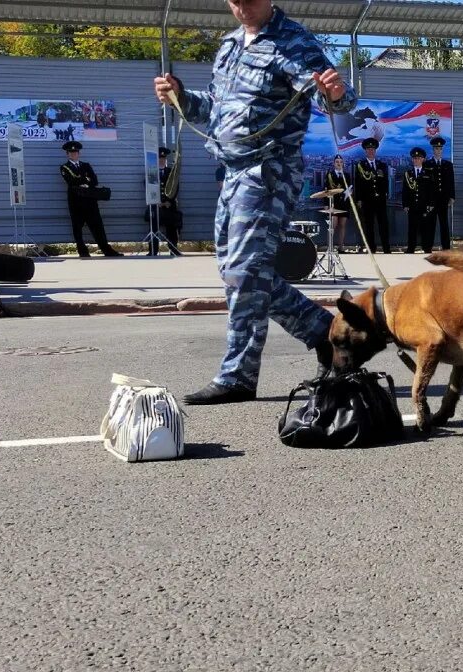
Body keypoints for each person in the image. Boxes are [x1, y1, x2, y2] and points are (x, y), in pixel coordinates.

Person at [153, 0, 355, 405]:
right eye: (233, 0)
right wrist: (179, 96)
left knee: (245, 272)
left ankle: (238, 376)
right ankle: (323, 331)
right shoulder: (229, 44)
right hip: (231, 172)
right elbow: (213, 107)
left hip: (269, 171)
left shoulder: (292, 40)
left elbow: (334, 99)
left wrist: (336, 94)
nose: (240, 6)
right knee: (235, 272)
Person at [59, 140, 122, 258]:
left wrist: (84, 182)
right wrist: (86, 180)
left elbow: (94, 180)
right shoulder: (64, 167)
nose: (74, 154)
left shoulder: (86, 165)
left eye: (75, 152)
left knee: (98, 226)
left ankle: (107, 250)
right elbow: (71, 182)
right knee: (77, 228)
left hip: (90, 201)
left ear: (79, 153)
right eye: (71, 152)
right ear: (67, 154)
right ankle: (83, 251)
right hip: (76, 202)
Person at [353, 137, 391, 253]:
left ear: (375, 151)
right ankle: (371, 249)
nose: (371, 151)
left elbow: (385, 181)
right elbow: (357, 183)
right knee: (369, 226)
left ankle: (386, 248)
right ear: (365, 151)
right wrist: (359, 199)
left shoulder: (382, 165)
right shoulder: (360, 165)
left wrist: (385, 194)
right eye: (369, 149)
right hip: (367, 200)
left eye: (373, 149)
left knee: (383, 225)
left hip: (380, 200)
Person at [147, 147, 183, 256]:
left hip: (168, 204)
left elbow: (175, 187)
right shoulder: (151, 171)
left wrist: (168, 201)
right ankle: (153, 250)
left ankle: (173, 249)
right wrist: (156, 201)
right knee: (153, 226)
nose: (161, 160)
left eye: (163, 158)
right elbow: (148, 187)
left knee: (171, 227)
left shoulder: (170, 171)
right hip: (155, 204)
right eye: (159, 158)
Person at [402, 147, 436, 253]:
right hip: (412, 205)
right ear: (412, 159)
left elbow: (432, 191)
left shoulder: (428, 173)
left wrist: (431, 203)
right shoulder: (408, 174)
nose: (416, 160)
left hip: (424, 205)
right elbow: (405, 190)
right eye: (415, 158)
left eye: (419, 158)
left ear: (423, 159)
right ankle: (410, 248)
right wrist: (405, 205)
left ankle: (427, 248)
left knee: (425, 228)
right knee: (412, 228)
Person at [424, 136, 455, 250]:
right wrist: (426, 200)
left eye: (440, 148)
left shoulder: (448, 164)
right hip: (431, 200)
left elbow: (451, 182)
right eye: (436, 148)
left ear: (442, 150)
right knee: (430, 224)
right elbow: (425, 183)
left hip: (443, 199)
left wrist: (452, 196)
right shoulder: (427, 164)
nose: (438, 150)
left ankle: (446, 248)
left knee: (444, 224)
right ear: (433, 150)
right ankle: (428, 248)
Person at [324, 154, 351, 253]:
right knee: (332, 225)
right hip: (333, 203)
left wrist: (349, 193)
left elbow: (349, 187)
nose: (339, 164)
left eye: (340, 162)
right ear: (334, 163)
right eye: (337, 162)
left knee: (342, 225)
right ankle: (329, 247)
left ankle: (341, 247)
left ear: (343, 164)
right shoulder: (330, 175)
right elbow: (326, 190)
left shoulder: (346, 175)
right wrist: (326, 204)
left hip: (344, 203)